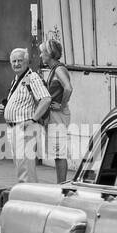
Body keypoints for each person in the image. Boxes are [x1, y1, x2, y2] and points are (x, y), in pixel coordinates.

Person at [0, 46, 51, 184]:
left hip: (24, 128)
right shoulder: (17, 79)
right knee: (21, 167)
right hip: (14, 128)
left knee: (25, 169)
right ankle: (29, 196)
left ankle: (30, 198)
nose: (16, 64)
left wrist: (33, 119)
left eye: (20, 61)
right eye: (14, 61)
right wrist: (5, 107)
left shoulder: (32, 77)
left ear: (27, 62)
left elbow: (45, 99)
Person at [40, 38, 74, 181]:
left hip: (58, 114)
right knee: (57, 151)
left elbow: (68, 88)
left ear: (49, 54)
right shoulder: (54, 69)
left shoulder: (59, 69)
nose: (41, 56)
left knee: (59, 152)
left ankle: (62, 184)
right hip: (54, 115)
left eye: (42, 53)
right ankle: (61, 182)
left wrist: (61, 104)